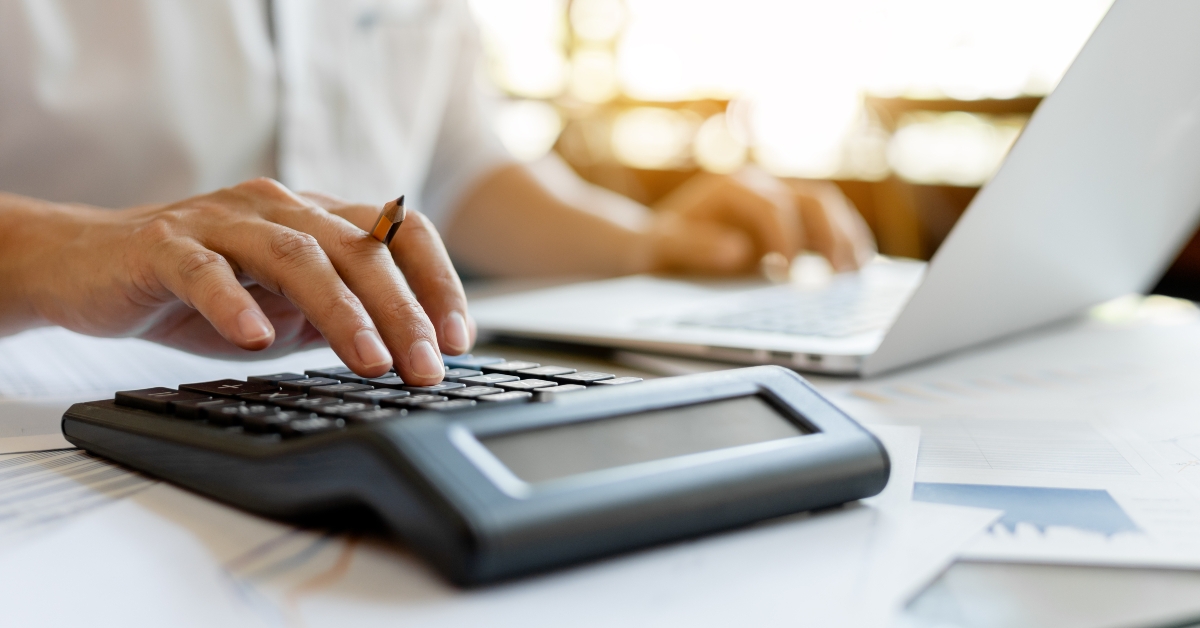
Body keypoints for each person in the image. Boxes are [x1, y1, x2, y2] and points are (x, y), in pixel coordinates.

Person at [0, 0, 875, 386]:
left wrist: (645, 242)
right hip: (47, 415)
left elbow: (456, 165)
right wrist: (57, 247)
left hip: (368, 389)